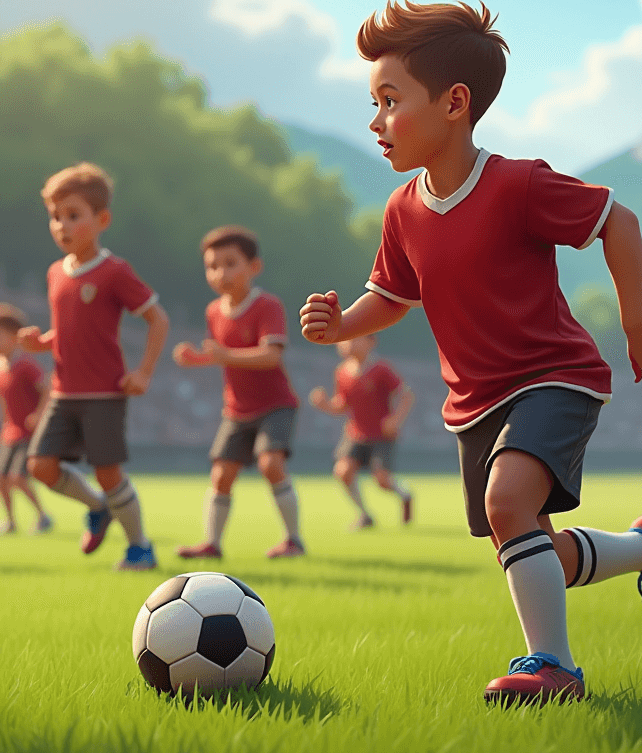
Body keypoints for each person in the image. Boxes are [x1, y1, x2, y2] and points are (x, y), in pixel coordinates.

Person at [300, 0, 642, 707]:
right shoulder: (401, 211)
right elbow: (393, 296)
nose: (375, 121)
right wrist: (342, 324)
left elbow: (619, 220)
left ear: (455, 102)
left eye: (390, 101)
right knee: (528, 542)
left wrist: (637, 324)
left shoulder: (517, 185)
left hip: (553, 377)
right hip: (473, 401)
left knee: (508, 504)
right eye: (373, 102)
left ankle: (553, 668)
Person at [21, 163, 168, 570]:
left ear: (101, 219)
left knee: (108, 472)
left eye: (72, 215)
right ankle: (98, 509)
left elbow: (158, 319)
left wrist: (142, 373)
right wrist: (42, 342)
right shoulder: (55, 273)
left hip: (104, 393)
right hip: (63, 391)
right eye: (55, 217)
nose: (61, 226)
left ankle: (140, 546)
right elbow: (67, 330)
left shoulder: (114, 271)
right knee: (40, 466)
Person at [173, 225, 304, 560]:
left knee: (271, 463)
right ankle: (211, 544)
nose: (220, 273)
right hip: (237, 409)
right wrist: (196, 360)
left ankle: (293, 541)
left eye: (230, 263)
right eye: (212, 266)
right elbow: (222, 356)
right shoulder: (214, 311)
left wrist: (221, 355)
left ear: (253, 267)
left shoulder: (267, 306)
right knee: (221, 474)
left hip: (275, 405)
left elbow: (270, 354)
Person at [308, 335, 415, 529]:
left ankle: (405, 494)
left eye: (355, 339)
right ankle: (365, 515)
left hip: (381, 435)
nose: (348, 344)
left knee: (382, 480)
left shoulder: (381, 369)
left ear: (370, 342)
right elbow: (342, 406)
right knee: (342, 472)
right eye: (345, 340)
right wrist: (325, 405)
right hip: (355, 433)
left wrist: (395, 420)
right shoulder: (341, 372)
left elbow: (406, 394)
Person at [0, 304, 53, 534]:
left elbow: (46, 389)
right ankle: (11, 522)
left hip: (28, 432)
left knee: (17, 477)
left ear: (13, 338)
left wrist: (38, 415)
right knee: (2, 479)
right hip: (10, 431)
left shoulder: (25, 365)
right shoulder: (2, 368)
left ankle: (43, 516)